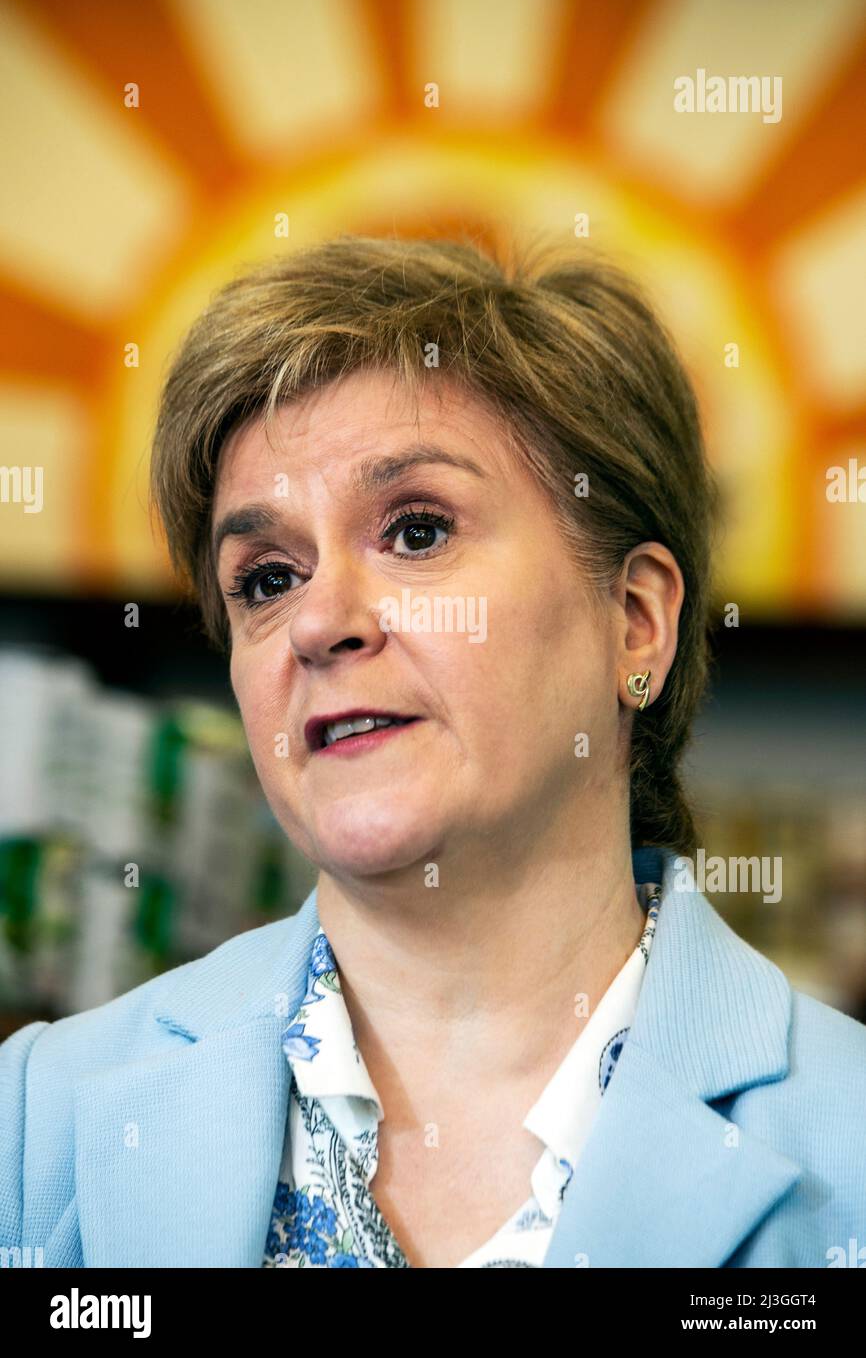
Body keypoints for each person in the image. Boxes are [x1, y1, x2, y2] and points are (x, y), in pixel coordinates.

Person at [2, 235, 864, 1269]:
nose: (319, 623)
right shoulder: (40, 1123)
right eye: (266, 578)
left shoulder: (846, 1139)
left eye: (415, 532)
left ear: (634, 621)